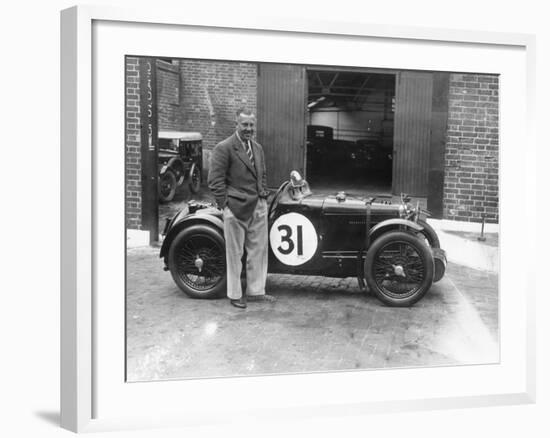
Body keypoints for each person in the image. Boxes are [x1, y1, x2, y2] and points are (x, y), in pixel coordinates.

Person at [207, 108, 276, 309]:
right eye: (244, 124)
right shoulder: (225, 147)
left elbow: (262, 173)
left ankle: (255, 291)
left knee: (258, 251)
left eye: (251, 125)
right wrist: (225, 206)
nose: (248, 128)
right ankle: (235, 294)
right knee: (235, 253)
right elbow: (215, 180)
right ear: (236, 124)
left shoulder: (258, 148)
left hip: (258, 206)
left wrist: (262, 194)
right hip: (236, 209)